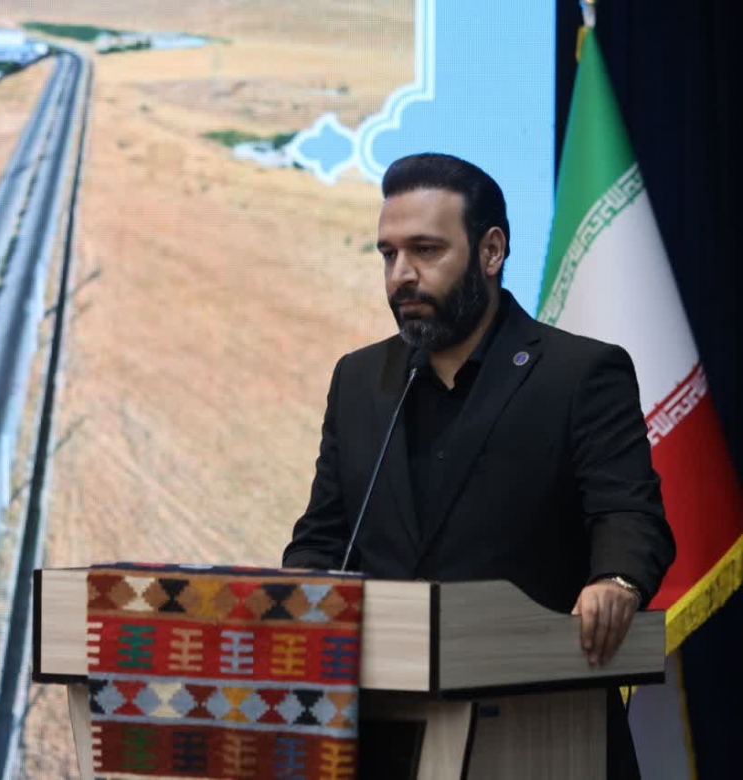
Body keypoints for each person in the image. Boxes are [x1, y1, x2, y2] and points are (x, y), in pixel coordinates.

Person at [282, 152, 675, 779]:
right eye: (388, 254)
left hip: (542, 729)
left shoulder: (579, 374)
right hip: (380, 735)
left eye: (425, 251)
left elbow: (629, 514)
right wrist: (292, 603)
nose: (401, 276)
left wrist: (616, 581)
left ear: (491, 251)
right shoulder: (359, 379)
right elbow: (322, 540)